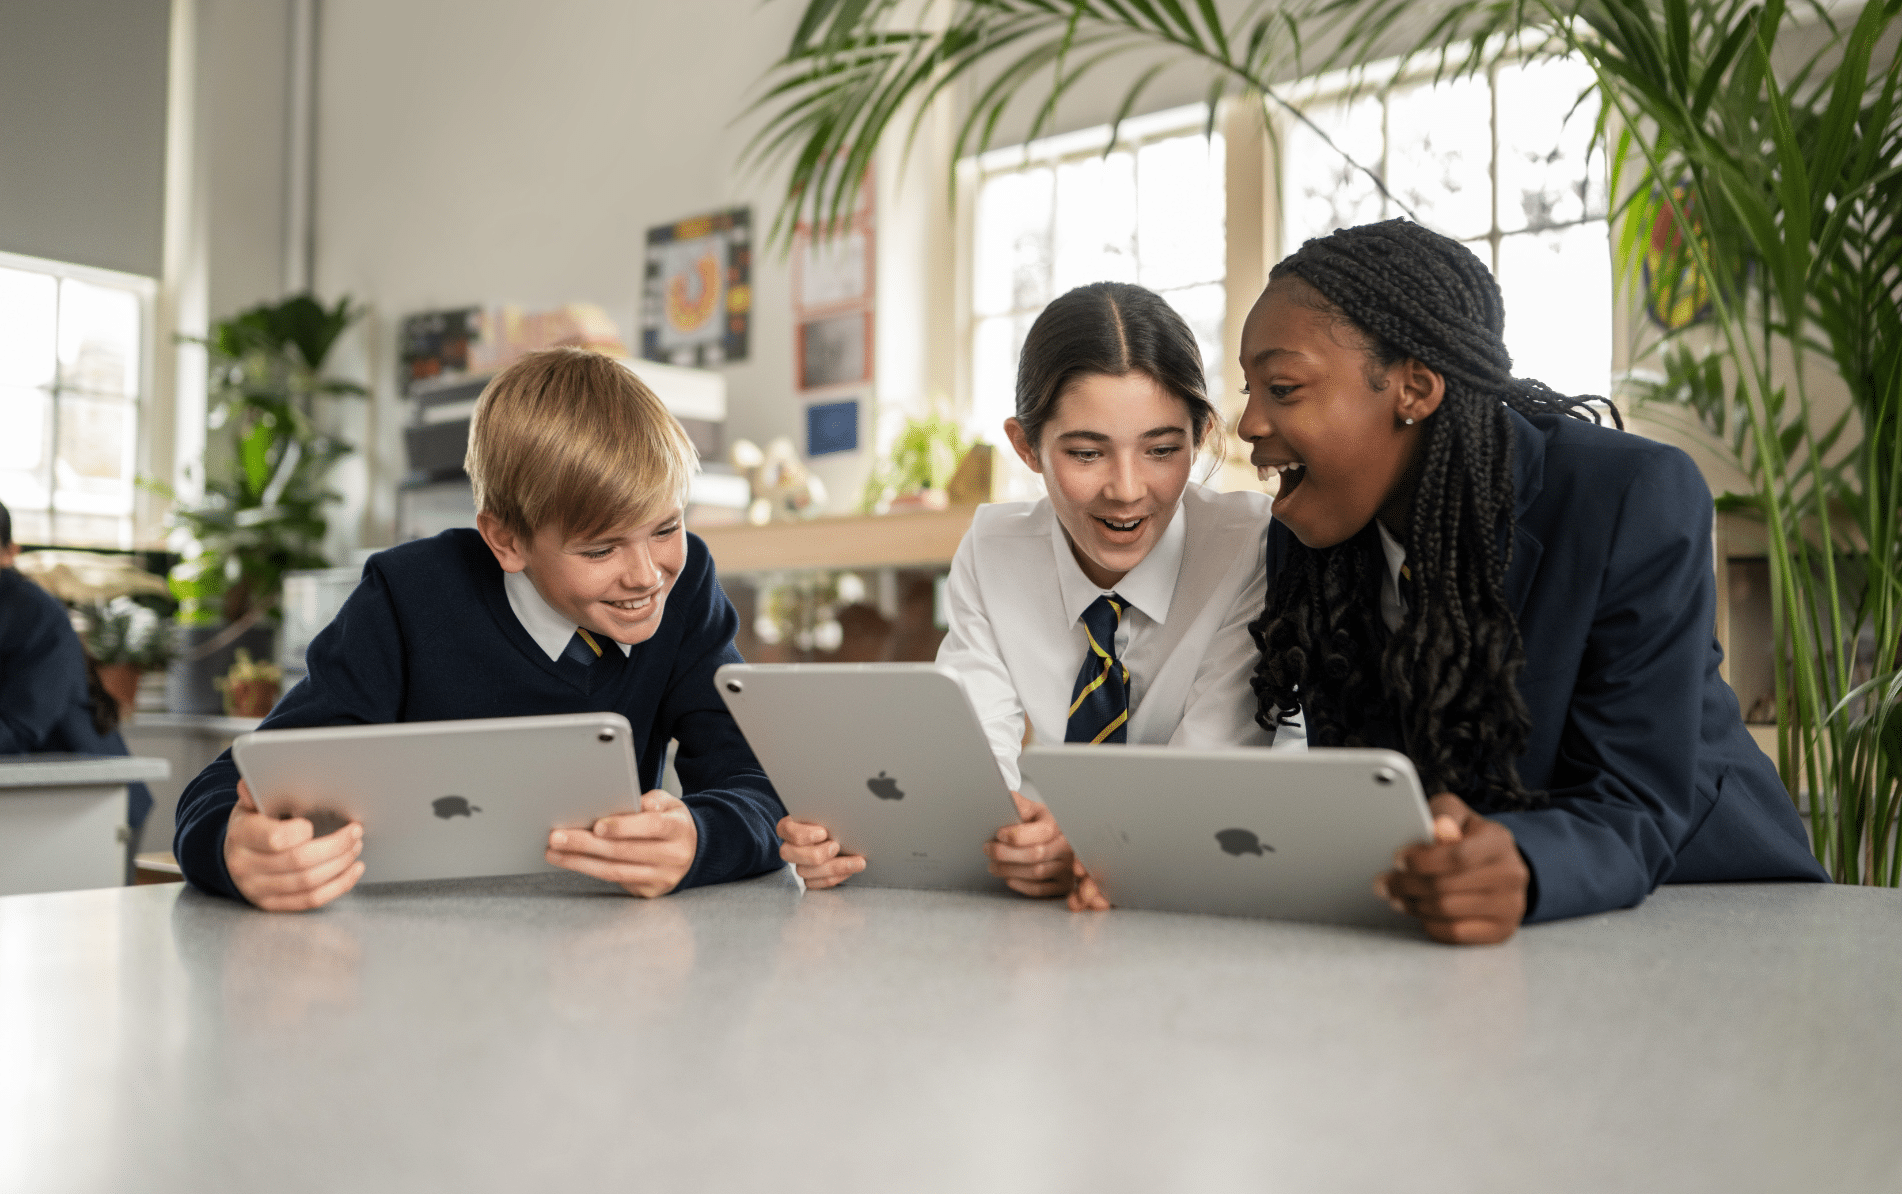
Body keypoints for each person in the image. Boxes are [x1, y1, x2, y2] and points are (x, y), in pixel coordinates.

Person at [1105, 218, 1821, 943]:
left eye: (1284, 387)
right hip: (1467, 937)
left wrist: (1523, 861)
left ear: (1414, 388)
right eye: (1251, 387)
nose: (1249, 421)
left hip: (1709, 910)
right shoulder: (1312, 535)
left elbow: (1634, 798)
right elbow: (1368, 793)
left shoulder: (1628, 499)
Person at [172, 348, 787, 910]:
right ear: (507, 540)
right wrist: (233, 849)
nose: (648, 575)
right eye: (601, 551)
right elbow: (229, 788)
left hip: (603, 955)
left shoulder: (687, 587)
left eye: (665, 527)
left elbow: (762, 786)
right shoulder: (408, 596)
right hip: (411, 948)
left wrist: (699, 840)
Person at [778, 281, 1295, 897]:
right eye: (1085, 453)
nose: (1126, 489)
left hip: (1193, 905)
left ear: (1201, 433)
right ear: (1027, 446)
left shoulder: (1251, 547)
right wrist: (864, 842)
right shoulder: (994, 551)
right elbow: (967, 770)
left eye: (1162, 449)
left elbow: (1208, 782)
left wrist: (1093, 845)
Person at [0, 500, 155, 850]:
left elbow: (18, 726)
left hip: (93, 808)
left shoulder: (30, 610)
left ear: (11, 553)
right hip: (52, 810)